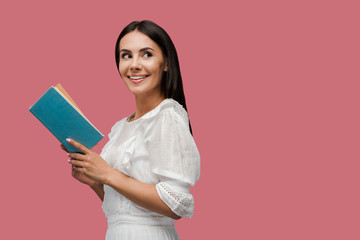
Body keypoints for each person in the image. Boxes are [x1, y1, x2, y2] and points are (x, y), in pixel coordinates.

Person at [61, 20, 200, 240]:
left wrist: (108, 174)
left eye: (146, 54)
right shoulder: (121, 127)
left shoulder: (167, 116)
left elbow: (176, 204)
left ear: (166, 63)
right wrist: (96, 181)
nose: (134, 64)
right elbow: (127, 211)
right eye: (126, 55)